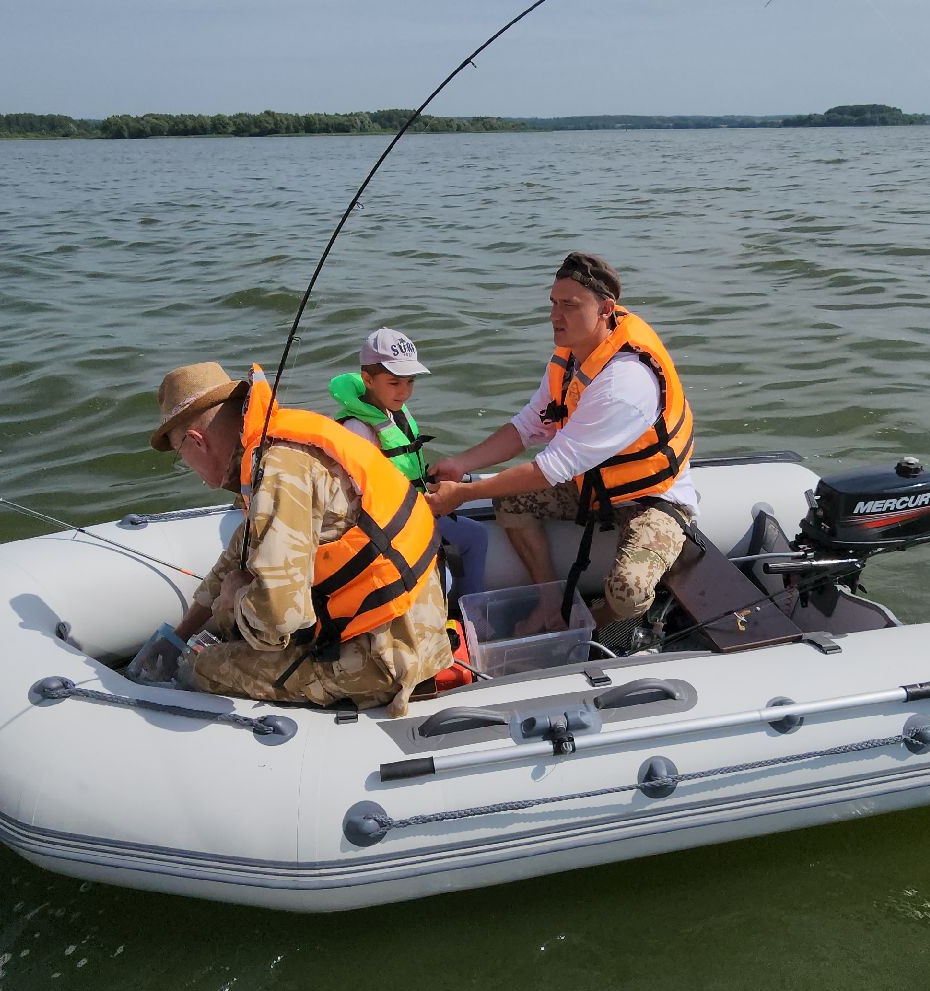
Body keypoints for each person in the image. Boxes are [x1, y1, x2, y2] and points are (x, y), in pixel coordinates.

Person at [130, 361, 452, 717]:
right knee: (236, 588)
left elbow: (275, 622)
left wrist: (236, 597)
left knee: (205, 666)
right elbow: (241, 548)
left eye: (182, 456)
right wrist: (182, 633)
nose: (189, 468)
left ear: (196, 441)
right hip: (417, 626)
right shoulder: (281, 443)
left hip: (385, 659)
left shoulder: (277, 474)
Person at [425, 253, 696, 627]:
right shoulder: (571, 356)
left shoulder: (625, 382)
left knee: (628, 591)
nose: (555, 316)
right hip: (594, 484)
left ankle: (587, 625)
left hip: (653, 499)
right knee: (512, 499)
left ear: (605, 310)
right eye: (553, 303)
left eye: (570, 305)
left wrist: (463, 494)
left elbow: (549, 469)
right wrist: (461, 464)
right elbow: (527, 427)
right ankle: (550, 601)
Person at [329, 327, 491, 605]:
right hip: (386, 528)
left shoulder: (392, 410)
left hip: (415, 511)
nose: (404, 392)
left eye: (410, 382)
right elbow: (360, 498)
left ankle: (468, 615)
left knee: (476, 536)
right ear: (367, 379)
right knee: (443, 576)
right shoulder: (358, 429)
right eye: (394, 382)